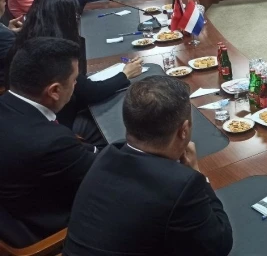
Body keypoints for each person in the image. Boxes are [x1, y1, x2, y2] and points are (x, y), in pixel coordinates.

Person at [63, 76, 233, 256]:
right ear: (183, 130)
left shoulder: (106, 156)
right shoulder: (181, 186)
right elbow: (219, 245)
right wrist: (198, 174)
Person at [6, 0, 143, 143]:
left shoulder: (23, 40)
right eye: (75, 16)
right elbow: (90, 92)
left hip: (26, 120)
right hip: (60, 124)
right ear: (65, 20)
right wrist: (125, 74)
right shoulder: (54, 54)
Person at [0, 37, 95, 241]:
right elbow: (106, 174)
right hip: (57, 225)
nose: (76, 84)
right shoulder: (51, 142)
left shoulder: (7, 104)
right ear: (54, 91)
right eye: (74, 80)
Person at [0, 0, 23, 87]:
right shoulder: (5, 36)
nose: (5, 4)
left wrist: (8, 30)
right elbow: (19, 64)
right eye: (4, 1)